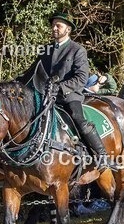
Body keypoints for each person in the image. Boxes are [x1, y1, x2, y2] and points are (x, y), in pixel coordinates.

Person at [17, 11, 107, 164]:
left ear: (68, 29)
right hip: (45, 96)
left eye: (58, 25)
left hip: (69, 96)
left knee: (78, 119)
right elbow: (30, 73)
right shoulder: (46, 49)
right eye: (53, 25)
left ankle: (101, 155)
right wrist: (12, 85)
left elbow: (81, 78)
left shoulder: (77, 50)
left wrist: (60, 87)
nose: (54, 28)